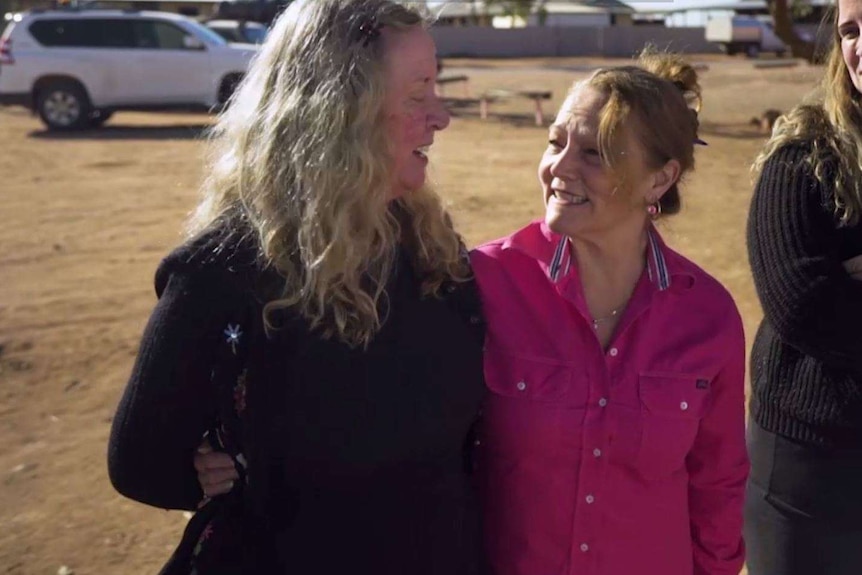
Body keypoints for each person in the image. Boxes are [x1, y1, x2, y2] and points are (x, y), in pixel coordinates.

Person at [107, 1, 487, 574]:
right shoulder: (225, 269)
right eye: (417, 94)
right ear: (341, 113)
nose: (442, 115)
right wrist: (203, 468)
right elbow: (140, 462)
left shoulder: (429, 245)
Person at [471, 53, 748, 575]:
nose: (559, 167)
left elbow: (718, 483)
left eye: (595, 154)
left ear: (658, 180)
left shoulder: (708, 316)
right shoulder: (484, 284)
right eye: (556, 142)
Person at [744, 0, 862, 572]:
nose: (860, 46)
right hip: (808, 470)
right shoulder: (806, 152)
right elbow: (803, 302)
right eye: (850, 30)